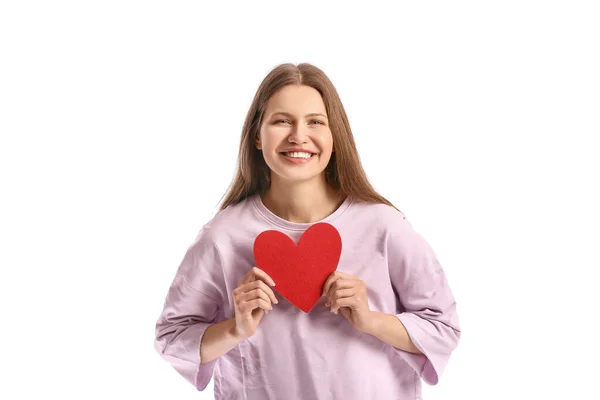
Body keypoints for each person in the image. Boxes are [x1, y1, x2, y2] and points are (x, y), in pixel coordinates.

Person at [153, 62, 461, 399]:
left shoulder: (384, 226)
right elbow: (172, 337)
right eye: (282, 120)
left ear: (334, 136)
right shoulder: (222, 237)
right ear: (257, 135)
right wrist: (235, 328)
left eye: (315, 121)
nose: (298, 135)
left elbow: (443, 328)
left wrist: (370, 319)